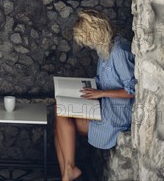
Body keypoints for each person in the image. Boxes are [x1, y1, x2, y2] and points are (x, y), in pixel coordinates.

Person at [54, 10, 136, 181]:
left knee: (62, 117)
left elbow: (133, 90)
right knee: (59, 115)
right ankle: (67, 173)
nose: (87, 44)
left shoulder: (119, 52)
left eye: (87, 39)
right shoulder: (104, 50)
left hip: (115, 115)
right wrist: (80, 89)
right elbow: (101, 80)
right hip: (104, 104)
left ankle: (68, 173)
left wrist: (101, 93)